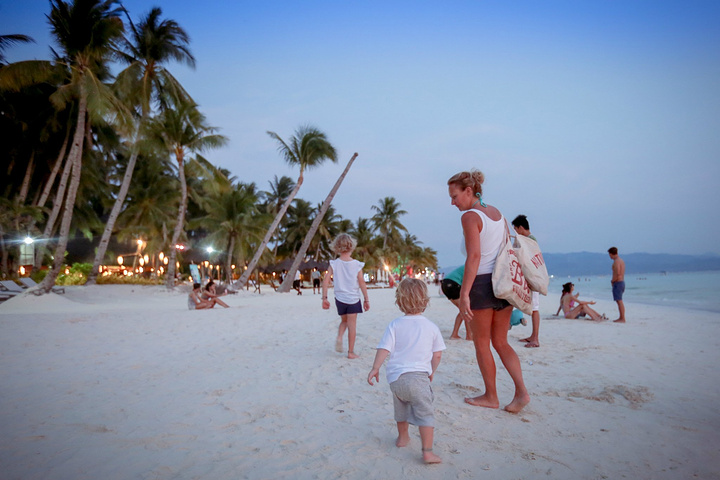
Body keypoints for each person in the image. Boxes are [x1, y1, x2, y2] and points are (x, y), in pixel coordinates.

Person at [447, 170, 530, 413]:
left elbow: (474, 257)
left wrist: (464, 294)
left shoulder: (470, 217)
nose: (452, 202)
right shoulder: (499, 214)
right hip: (503, 283)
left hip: (482, 284)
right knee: (501, 342)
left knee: (482, 343)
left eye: (454, 196)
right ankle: (521, 392)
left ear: (469, 191)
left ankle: (491, 396)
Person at [367, 278, 445, 464]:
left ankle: (403, 438)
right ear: (425, 301)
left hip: (396, 380)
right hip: (418, 378)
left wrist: (375, 368)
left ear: (400, 302)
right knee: (425, 413)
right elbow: (437, 355)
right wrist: (431, 371)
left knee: (401, 408)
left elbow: (384, 348)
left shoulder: (395, 325)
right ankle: (427, 451)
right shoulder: (431, 327)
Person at [322, 233, 370, 359]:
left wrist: (324, 298)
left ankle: (339, 336)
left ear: (337, 247)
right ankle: (350, 352)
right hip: (353, 299)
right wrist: (366, 299)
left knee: (344, 321)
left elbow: (326, 280)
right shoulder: (357, 264)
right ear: (352, 246)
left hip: (340, 299)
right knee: (352, 326)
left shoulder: (334, 263)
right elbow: (361, 282)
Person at [511, 215, 541, 348]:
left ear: (521, 228)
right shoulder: (529, 240)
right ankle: (532, 336)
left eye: (516, 229)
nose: (516, 232)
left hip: (531, 279)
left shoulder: (530, 240)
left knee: (534, 309)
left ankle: (535, 338)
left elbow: (527, 260)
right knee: (532, 308)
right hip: (528, 278)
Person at [440, 266, 472, 340]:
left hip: (445, 283)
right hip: (453, 284)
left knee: (462, 311)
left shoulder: (468, 264)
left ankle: (454, 334)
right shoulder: (475, 266)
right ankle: (469, 336)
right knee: (465, 311)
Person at [608, 247, 626, 323]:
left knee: (619, 301)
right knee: (619, 301)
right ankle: (621, 317)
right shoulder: (621, 261)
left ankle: (622, 318)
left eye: (610, 255)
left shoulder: (617, 262)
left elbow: (618, 273)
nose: (609, 256)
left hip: (618, 283)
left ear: (612, 254)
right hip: (621, 282)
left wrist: (612, 281)